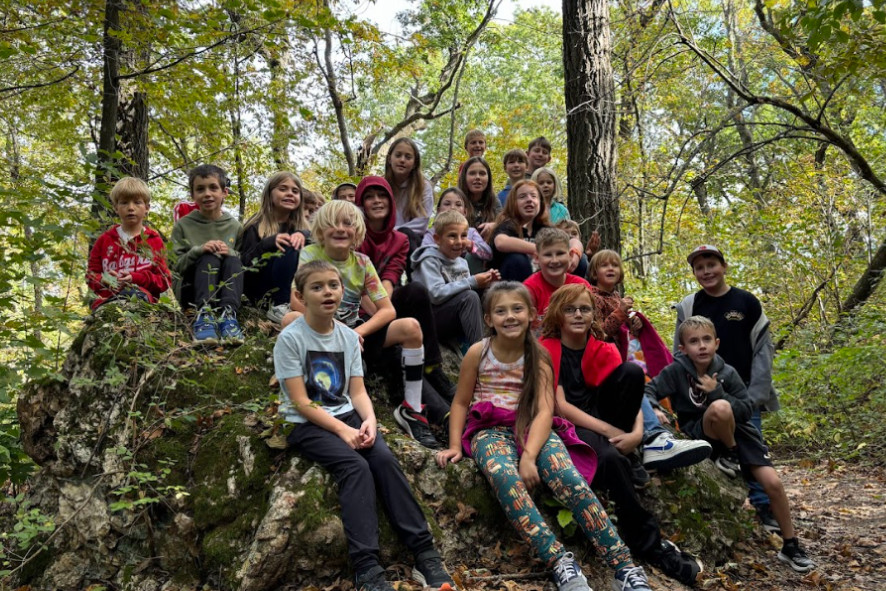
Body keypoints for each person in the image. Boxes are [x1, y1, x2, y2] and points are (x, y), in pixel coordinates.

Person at [436, 282, 652, 591]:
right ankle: (560, 562)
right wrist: (455, 445)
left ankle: (624, 566)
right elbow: (460, 402)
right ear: (488, 319)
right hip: (489, 430)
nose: (509, 316)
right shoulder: (477, 352)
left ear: (531, 316)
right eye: (500, 311)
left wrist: (529, 455)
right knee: (507, 479)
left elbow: (543, 411)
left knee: (571, 479)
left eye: (517, 309)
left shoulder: (538, 356)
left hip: (532, 427)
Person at [274, 260, 455, 591]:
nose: (327, 292)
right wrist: (343, 431)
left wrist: (369, 420)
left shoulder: (347, 336)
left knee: (384, 460)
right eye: (317, 287)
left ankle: (424, 552)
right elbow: (301, 401)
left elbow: (357, 391)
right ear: (300, 295)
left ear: (343, 291)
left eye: (333, 285)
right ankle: (367, 568)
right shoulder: (291, 338)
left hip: (348, 414)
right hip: (306, 422)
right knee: (355, 467)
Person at [539, 284, 711, 587]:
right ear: (557, 314)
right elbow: (561, 406)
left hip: (606, 413)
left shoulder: (602, 346)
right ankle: (650, 545)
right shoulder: (547, 348)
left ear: (594, 314)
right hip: (572, 422)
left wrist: (636, 433)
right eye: (570, 309)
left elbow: (631, 396)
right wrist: (611, 433)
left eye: (585, 308)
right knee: (609, 460)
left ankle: (633, 452)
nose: (578, 315)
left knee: (632, 373)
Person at [647, 316, 815, 573]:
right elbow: (649, 391)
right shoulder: (676, 372)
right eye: (693, 341)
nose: (701, 346)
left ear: (716, 343)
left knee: (773, 483)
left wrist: (717, 391)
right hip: (701, 431)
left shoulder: (727, 372)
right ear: (682, 349)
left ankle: (790, 545)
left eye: (706, 340)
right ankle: (730, 456)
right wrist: (656, 407)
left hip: (740, 434)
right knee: (719, 409)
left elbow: (747, 410)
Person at [283, 200, 441, 449]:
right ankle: (307, 380)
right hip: (320, 332)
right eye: (332, 223)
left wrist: (357, 332)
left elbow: (387, 310)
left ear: (357, 231)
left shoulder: (362, 263)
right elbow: (296, 301)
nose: (340, 228)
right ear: (321, 230)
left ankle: (411, 408)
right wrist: (340, 333)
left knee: (410, 326)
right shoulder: (311, 255)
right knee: (289, 320)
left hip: (356, 331)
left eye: (347, 223)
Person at [675, 244, 781, 533]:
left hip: (742, 394)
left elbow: (762, 350)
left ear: (723, 266)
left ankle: (765, 509)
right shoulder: (689, 305)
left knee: (752, 449)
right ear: (694, 273)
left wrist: (756, 395)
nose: (706, 271)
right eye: (699, 267)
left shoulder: (746, 302)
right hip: (701, 396)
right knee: (711, 450)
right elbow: (679, 352)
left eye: (711, 264)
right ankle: (714, 509)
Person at [353, 176, 455, 416]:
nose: (376, 201)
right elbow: (356, 287)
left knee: (415, 291)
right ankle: (436, 414)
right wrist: (382, 318)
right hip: (359, 313)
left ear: (391, 202)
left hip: (382, 305)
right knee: (395, 351)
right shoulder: (354, 235)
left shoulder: (400, 239)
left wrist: (385, 312)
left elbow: (389, 277)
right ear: (361, 204)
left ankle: (432, 366)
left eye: (382, 196)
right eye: (369, 197)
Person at [171, 164, 244, 345]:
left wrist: (231, 252)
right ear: (193, 195)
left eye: (213, 188)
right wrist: (199, 250)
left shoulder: (234, 226)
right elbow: (174, 267)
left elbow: (245, 262)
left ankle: (229, 316)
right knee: (208, 257)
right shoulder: (183, 226)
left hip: (226, 290)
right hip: (193, 291)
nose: (207, 194)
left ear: (224, 192)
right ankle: (204, 316)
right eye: (200, 189)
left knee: (233, 258)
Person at [412, 210, 499, 351]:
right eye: (452, 236)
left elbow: (463, 289)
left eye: (463, 236)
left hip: (451, 316)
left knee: (491, 292)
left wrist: (486, 282)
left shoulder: (462, 262)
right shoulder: (429, 260)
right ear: (437, 239)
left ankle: (489, 344)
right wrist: (472, 281)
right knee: (469, 297)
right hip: (429, 318)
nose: (459, 241)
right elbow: (435, 294)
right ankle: (481, 352)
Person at [87, 177, 171, 309]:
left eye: (137, 203)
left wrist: (135, 278)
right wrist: (105, 279)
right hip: (108, 301)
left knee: (133, 296)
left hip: (142, 301)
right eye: (124, 203)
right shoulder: (104, 241)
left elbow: (164, 280)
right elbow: (91, 276)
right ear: (116, 208)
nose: (131, 208)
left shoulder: (153, 240)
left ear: (147, 208)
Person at [239, 171, 310, 324]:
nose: (290, 193)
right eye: (283, 189)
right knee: (290, 245)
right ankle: (281, 305)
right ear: (269, 194)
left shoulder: (304, 228)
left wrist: (304, 234)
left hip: (296, 288)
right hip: (264, 291)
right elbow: (244, 266)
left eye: (295, 191)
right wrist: (267, 244)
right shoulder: (255, 226)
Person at [522, 228, 590, 330]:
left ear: (570, 256)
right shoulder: (529, 288)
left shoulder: (581, 286)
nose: (554, 260)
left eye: (560, 254)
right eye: (548, 255)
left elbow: (592, 322)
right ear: (536, 258)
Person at [489, 180, 550, 282]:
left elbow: (567, 242)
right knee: (517, 260)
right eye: (522, 197)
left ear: (540, 202)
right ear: (513, 203)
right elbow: (501, 242)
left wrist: (575, 252)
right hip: (508, 289)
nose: (529, 200)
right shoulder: (508, 225)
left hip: (541, 285)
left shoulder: (544, 229)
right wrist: (540, 250)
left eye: (533, 196)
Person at [383, 137, 434, 258]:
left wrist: (393, 232)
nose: (402, 160)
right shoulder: (381, 186)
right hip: (383, 239)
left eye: (408, 157)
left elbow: (421, 223)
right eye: (398, 155)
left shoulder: (423, 187)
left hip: (411, 240)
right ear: (390, 159)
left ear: (414, 163)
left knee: (406, 234)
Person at [421, 188, 492, 261]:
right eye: (447, 204)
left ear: (465, 212)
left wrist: (469, 244)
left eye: (458, 204)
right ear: (438, 210)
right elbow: (424, 254)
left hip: (466, 270)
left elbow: (488, 254)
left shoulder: (470, 232)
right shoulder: (433, 233)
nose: (452, 208)